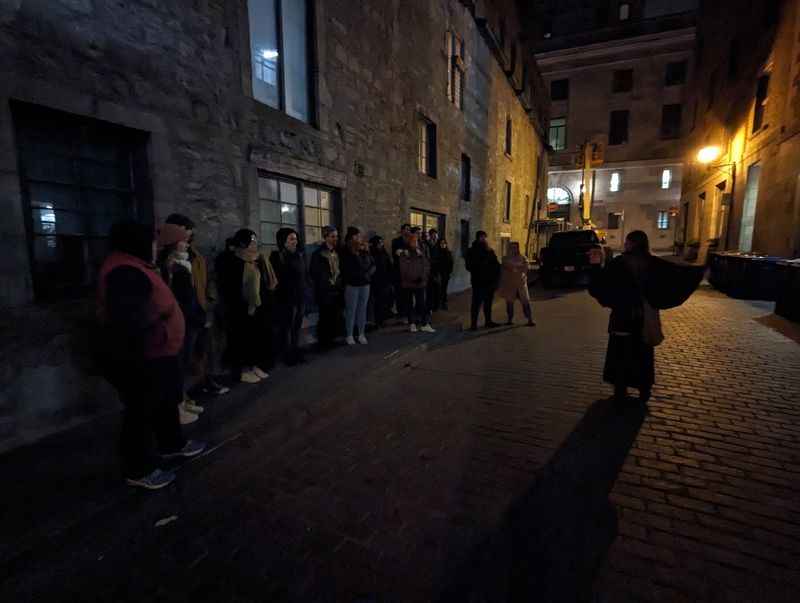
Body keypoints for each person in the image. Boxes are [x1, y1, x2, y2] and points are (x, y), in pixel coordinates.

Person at [97, 222, 205, 490]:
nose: (157, 247)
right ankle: (139, 467)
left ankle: (171, 444)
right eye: (152, 242)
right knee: (140, 411)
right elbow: (128, 320)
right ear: (137, 242)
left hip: (159, 351)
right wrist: (161, 324)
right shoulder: (124, 271)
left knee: (166, 400)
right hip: (142, 355)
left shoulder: (136, 266)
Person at [589, 230, 658, 404]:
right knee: (642, 353)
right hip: (643, 318)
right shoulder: (651, 263)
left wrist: (595, 266)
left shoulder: (620, 263)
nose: (625, 245)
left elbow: (599, 286)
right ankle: (644, 388)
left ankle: (621, 390)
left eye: (627, 242)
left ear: (632, 243)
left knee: (620, 353)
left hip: (623, 317)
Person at [165, 214, 229, 397]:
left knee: (204, 352)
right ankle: (180, 397)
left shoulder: (194, 254)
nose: (188, 236)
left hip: (199, 309)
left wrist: (209, 300)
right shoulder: (169, 257)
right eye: (185, 232)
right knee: (182, 358)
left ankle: (204, 383)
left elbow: (206, 278)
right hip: (182, 314)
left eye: (189, 233)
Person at [155, 224, 205, 424]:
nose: (187, 244)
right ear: (173, 244)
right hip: (179, 320)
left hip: (187, 318)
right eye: (183, 241)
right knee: (176, 366)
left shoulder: (182, 264)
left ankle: (182, 400)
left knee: (183, 364)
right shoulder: (170, 267)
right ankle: (176, 406)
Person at [218, 229, 278, 384]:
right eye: (251, 242)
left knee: (254, 338)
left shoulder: (257, 259)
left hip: (257, 307)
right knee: (240, 340)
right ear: (242, 243)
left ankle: (253, 365)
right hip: (239, 308)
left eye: (255, 241)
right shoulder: (232, 261)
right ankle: (242, 370)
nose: (254, 245)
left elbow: (265, 283)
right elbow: (230, 287)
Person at [269, 227, 308, 365]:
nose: (295, 241)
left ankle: (295, 351)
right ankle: (287, 355)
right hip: (286, 299)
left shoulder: (299, 255)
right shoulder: (277, 257)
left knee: (296, 328)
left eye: (295, 238)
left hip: (300, 297)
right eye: (291, 239)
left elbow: (304, 275)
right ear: (283, 241)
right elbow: (277, 279)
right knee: (286, 328)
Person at [309, 226, 344, 348]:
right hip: (325, 290)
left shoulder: (337, 252)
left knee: (334, 315)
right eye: (332, 236)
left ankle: (332, 339)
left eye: (336, 236)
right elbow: (315, 272)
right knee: (325, 316)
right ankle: (324, 341)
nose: (335, 239)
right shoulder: (318, 254)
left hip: (336, 289)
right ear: (326, 237)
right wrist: (326, 282)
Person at [341, 227, 376, 345]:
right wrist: (361, 272)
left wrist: (368, 274)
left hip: (365, 283)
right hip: (352, 284)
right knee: (351, 310)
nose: (359, 238)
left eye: (359, 236)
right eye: (357, 236)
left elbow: (372, 264)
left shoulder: (363, 250)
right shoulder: (346, 250)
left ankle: (361, 334)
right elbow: (347, 268)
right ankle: (349, 335)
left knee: (362, 309)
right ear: (351, 237)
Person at [398, 233, 436, 333]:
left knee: (422, 304)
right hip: (408, 283)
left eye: (417, 241)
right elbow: (403, 268)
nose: (416, 243)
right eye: (413, 241)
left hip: (420, 283)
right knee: (409, 304)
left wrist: (422, 277)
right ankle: (412, 324)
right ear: (409, 242)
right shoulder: (404, 253)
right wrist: (412, 278)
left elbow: (426, 265)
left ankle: (424, 324)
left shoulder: (421, 252)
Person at [465, 231, 501, 331]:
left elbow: (496, 265)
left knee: (488, 304)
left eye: (485, 237)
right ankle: (473, 325)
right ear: (477, 238)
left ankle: (488, 321)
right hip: (478, 282)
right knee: (476, 304)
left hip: (490, 282)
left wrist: (496, 280)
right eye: (482, 237)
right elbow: (468, 266)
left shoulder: (489, 251)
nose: (484, 239)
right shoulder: (471, 251)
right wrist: (482, 264)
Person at [498, 241, 535, 326]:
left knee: (526, 302)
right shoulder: (505, 258)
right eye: (512, 247)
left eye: (515, 247)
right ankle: (510, 319)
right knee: (509, 303)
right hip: (510, 284)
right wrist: (517, 266)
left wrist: (516, 267)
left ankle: (529, 319)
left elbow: (526, 266)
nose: (514, 249)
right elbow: (507, 266)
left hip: (521, 284)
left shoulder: (522, 257)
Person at [369, 235, 394, 327]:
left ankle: (383, 319)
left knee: (384, 301)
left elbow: (389, 265)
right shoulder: (372, 253)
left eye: (381, 242)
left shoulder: (383, 253)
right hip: (376, 282)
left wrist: (390, 279)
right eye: (379, 243)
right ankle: (377, 321)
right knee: (377, 302)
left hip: (385, 281)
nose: (381, 244)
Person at [432, 238, 454, 310]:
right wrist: (435, 274)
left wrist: (449, 272)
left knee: (444, 289)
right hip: (438, 274)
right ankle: (436, 304)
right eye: (441, 243)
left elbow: (451, 263)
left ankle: (444, 304)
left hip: (445, 274)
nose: (443, 244)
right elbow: (434, 264)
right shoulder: (436, 252)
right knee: (437, 290)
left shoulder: (448, 252)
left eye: (444, 243)